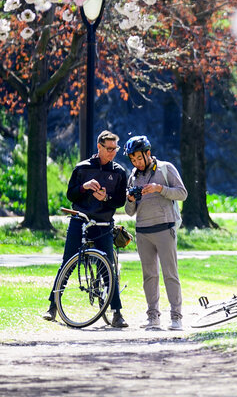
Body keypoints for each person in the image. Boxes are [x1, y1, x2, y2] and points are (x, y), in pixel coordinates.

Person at [42, 130, 129, 327]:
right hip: (80, 221)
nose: (112, 153)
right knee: (67, 263)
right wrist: (84, 187)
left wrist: (105, 198)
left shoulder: (119, 172)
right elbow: (71, 195)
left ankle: (117, 313)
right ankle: (52, 307)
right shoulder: (82, 168)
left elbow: (120, 201)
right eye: (108, 149)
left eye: (115, 149)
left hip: (104, 224)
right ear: (99, 147)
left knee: (108, 267)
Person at [123, 135, 187, 331]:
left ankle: (176, 317)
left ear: (148, 154)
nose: (136, 163)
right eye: (132, 160)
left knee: (170, 274)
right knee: (149, 276)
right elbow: (129, 211)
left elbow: (182, 193)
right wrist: (130, 199)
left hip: (165, 228)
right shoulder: (133, 176)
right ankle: (153, 316)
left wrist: (160, 188)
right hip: (143, 231)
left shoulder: (166, 168)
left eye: (139, 158)